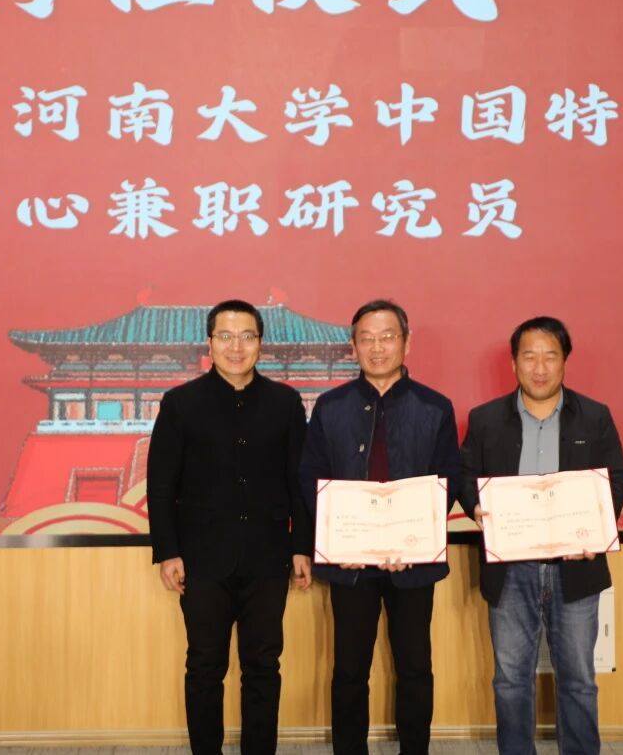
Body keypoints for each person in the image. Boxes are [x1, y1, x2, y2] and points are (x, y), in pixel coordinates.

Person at [147, 299, 313, 755]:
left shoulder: (284, 402)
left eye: (246, 337)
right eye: (225, 336)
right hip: (201, 559)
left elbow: (298, 480)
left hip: (268, 556)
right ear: (209, 343)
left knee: (263, 666)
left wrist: (301, 546)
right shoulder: (180, 404)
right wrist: (168, 551)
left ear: (260, 343)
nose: (235, 347)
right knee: (204, 666)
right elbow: (161, 485)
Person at [458, 316, 623, 755]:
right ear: (513, 363)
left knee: (578, 680)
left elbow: (616, 483)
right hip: (510, 570)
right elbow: (464, 475)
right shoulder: (485, 419)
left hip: (577, 568)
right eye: (529, 356)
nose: (539, 367)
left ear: (565, 361)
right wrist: (476, 507)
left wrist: (595, 531)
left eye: (549, 356)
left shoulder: (594, 417)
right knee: (510, 679)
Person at [299, 299, 459, 755]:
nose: (377, 347)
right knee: (350, 669)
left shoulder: (435, 407)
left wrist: (413, 540)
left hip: (414, 561)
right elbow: (311, 477)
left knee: (415, 667)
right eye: (366, 339)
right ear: (353, 346)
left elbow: (447, 478)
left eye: (387, 337)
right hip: (350, 563)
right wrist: (338, 540)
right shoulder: (330, 407)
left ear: (407, 342)